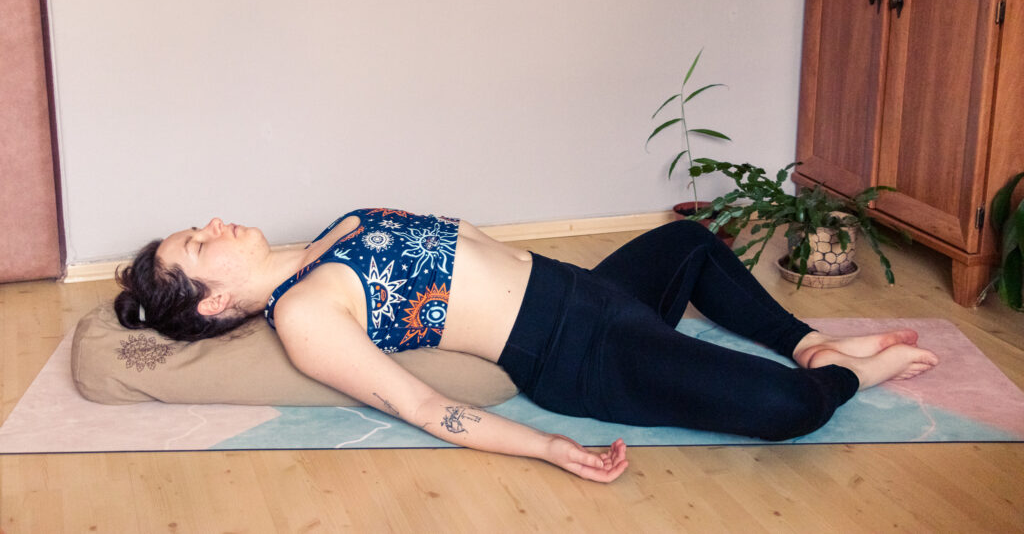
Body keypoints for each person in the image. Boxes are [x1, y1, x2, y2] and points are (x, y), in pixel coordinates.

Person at [114, 208, 939, 482]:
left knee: (689, 245)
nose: (213, 223)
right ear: (215, 298)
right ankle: (839, 377)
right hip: (580, 355)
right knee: (787, 413)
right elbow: (422, 404)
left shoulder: (330, 231)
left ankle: (805, 341)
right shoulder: (303, 314)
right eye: (198, 242)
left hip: (591, 290)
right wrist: (548, 446)